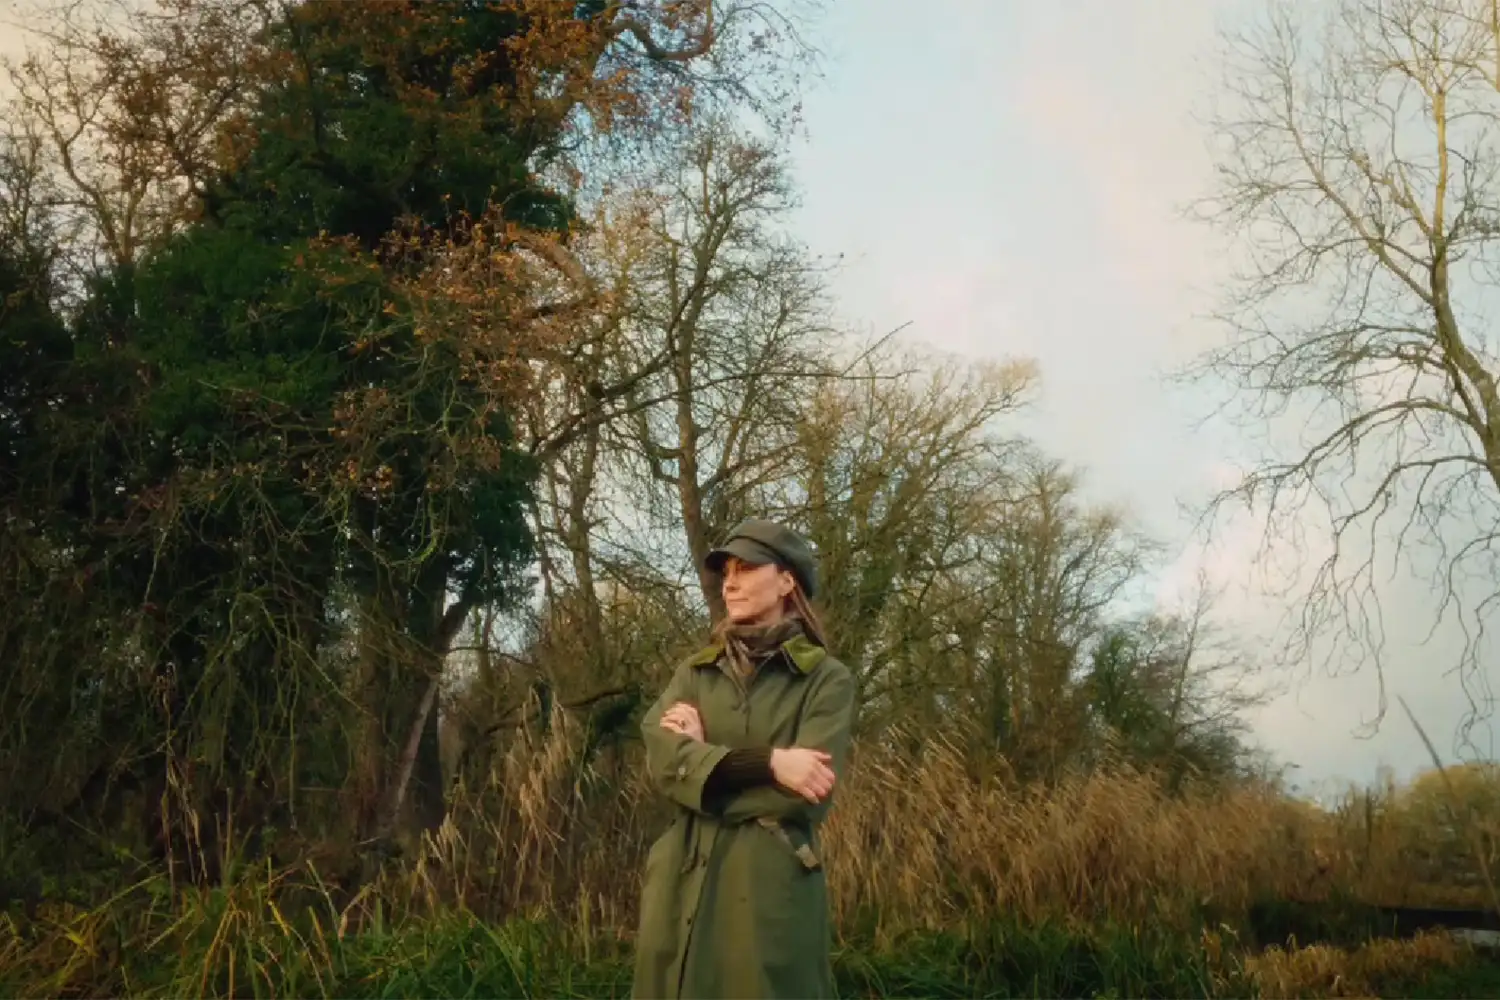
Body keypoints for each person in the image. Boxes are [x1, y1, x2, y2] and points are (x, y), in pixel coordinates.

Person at [631, 518, 857, 1000]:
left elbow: (805, 797)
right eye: (726, 572)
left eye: (747, 568)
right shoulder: (696, 672)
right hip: (680, 886)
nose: (729, 583)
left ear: (787, 581)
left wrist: (700, 770)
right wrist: (770, 764)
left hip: (765, 891)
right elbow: (663, 762)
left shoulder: (826, 681)